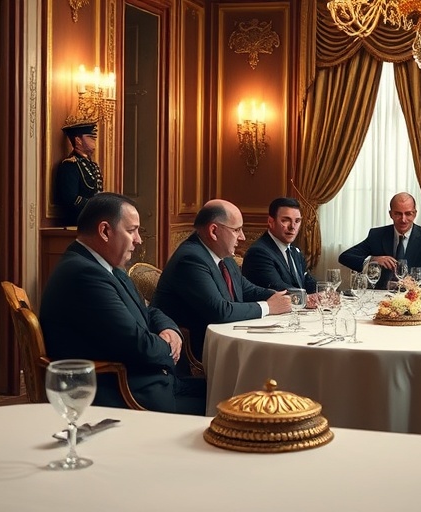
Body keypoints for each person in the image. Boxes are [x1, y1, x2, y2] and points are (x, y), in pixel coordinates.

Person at [39, 193, 205, 415]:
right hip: (127, 396)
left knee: (232, 391)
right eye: (131, 230)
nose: (138, 239)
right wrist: (169, 347)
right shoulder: (84, 275)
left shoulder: (107, 266)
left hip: (155, 383)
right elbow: (139, 346)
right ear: (105, 231)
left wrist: (170, 329)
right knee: (232, 409)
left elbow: (147, 311)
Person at [152, 199, 290, 372]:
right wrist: (269, 307)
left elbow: (247, 289)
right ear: (214, 231)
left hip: (227, 340)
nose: (243, 237)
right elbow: (219, 311)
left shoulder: (223, 257)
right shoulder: (191, 259)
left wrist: (289, 297)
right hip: (196, 355)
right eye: (236, 230)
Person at [338, 192, 421, 289]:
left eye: (408, 214)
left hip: (412, 297)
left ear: (415, 214)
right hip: (380, 298)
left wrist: (409, 283)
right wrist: (372, 260)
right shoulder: (377, 235)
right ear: (390, 214)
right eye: (398, 214)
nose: (403, 219)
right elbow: (345, 257)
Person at [243, 197, 317, 294]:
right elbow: (279, 288)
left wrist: (327, 291)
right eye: (286, 220)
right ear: (270, 222)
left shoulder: (295, 251)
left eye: (297, 221)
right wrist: (309, 298)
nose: (292, 227)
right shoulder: (259, 253)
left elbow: (307, 281)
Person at [55, 120, 103, 226]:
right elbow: (71, 199)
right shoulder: (70, 165)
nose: (94, 140)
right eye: (90, 137)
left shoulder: (93, 165)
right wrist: (95, 206)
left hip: (93, 221)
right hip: (78, 222)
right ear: (78, 140)